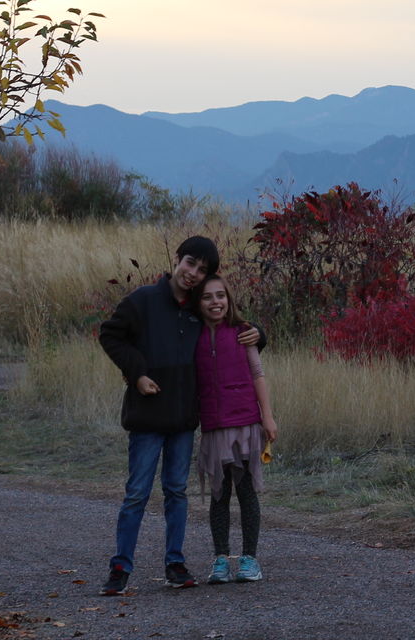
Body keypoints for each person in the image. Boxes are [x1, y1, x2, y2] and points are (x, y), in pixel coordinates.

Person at [96, 236, 261, 595]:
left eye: (202, 270)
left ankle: (175, 563)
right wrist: (136, 372)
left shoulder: (198, 311)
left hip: (184, 419)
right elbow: (110, 335)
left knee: (176, 491)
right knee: (137, 493)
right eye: (190, 263)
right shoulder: (143, 300)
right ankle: (120, 568)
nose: (193, 273)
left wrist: (259, 333)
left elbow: (233, 328)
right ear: (177, 259)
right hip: (146, 417)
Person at [193, 273, 278, 584]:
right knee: (219, 495)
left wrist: (267, 417)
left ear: (228, 299)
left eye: (220, 296)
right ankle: (220, 560)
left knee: (246, 493)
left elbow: (258, 374)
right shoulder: (194, 335)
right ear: (198, 303)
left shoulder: (244, 333)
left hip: (245, 424)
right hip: (214, 427)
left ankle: (250, 559)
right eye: (207, 297)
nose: (215, 302)